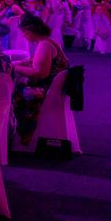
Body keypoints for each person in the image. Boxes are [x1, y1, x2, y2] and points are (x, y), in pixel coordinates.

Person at [12, 14, 70, 145]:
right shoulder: (49, 42)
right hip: (55, 88)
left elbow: (40, 73)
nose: (23, 36)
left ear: (31, 31)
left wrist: (16, 69)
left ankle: (22, 134)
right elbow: (34, 62)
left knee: (11, 94)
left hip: (46, 90)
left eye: (24, 33)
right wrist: (19, 63)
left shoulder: (44, 46)